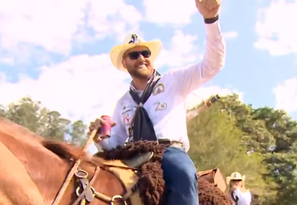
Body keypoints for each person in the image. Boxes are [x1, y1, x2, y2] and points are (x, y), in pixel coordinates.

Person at [88, 0, 226, 204]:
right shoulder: (123, 103)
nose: (142, 58)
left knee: (184, 174)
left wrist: (211, 20)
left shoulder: (173, 81)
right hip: (133, 155)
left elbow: (212, 65)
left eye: (146, 53)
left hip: (169, 152)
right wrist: (99, 138)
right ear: (125, 63)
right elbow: (115, 143)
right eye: (134, 55)